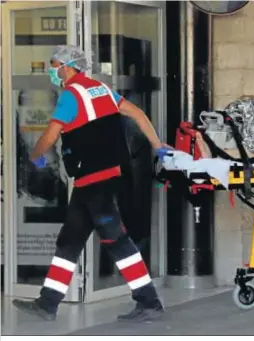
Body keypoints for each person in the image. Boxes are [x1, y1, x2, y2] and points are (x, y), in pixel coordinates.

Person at [12, 45, 171, 322]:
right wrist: (157, 145)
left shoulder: (71, 95)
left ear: (68, 66)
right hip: (103, 176)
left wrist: (34, 157)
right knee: (70, 241)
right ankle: (48, 303)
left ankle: (149, 302)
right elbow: (137, 114)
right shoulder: (101, 88)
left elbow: (50, 136)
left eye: (54, 64)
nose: (52, 69)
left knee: (117, 240)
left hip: (94, 180)